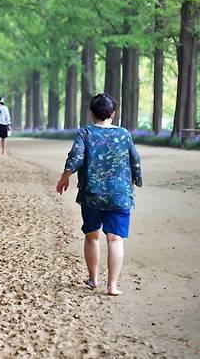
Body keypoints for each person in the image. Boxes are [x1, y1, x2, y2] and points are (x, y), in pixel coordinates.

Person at [55, 93, 142, 296]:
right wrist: (136, 181)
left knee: (92, 237)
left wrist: (65, 177)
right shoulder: (124, 134)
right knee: (115, 239)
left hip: (92, 194)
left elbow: (76, 157)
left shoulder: (85, 132)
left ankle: (93, 279)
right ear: (113, 113)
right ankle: (112, 286)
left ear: (92, 113)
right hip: (120, 194)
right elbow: (135, 159)